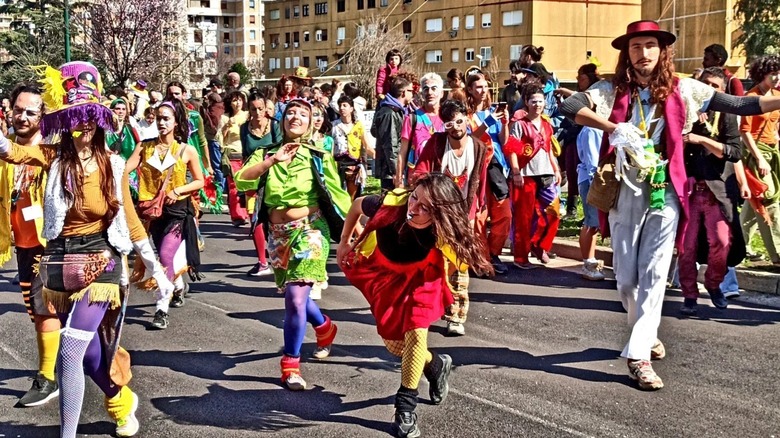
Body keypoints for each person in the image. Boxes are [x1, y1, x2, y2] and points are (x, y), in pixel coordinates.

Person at [559, 20, 780, 390]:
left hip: (666, 188)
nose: (643, 53)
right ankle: (644, 332)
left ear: (662, 50)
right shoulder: (610, 89)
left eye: (649, 45)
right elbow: (570, 105)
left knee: (655, 273)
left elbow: (743, 103)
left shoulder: (686, 88)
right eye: (635, 47)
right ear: (626, 53)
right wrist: (613, 129)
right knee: (626, 277)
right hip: (625, 186)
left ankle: (639, 355)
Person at [0, 61, 173, 437]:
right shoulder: (53, 159)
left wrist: (157, 270)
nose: (84, 126)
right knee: (92, 354)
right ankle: (119, 399)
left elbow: (130, 220)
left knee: (70, 351)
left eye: (90, 118)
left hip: (102, 263)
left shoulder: (112, 165)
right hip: (59, 263)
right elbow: (10, 150)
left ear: (99, 122)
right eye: (77, 118)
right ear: (66, 122)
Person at [337, 173, 493, 438]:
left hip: (423, 277)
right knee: (395, 345)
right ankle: (434, 365)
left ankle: (405, 407)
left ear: (440, 214)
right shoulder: (389, 204)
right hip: (388, 274)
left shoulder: (443, 232)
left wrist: (444, 278)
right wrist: (344, 241)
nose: (414, 208)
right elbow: (355, 206)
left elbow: (458, 264)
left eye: (425, 208)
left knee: (416, 332)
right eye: (414, 198)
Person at [233, 99, 351, 391]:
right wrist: (273, 161)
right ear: (283, 120)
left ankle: (290, 364)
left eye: (304, 114)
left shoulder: (318, 156)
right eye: (291, 113)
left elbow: (339, 196)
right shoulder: (265, 153)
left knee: (295, 299)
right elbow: (241, 181)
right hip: (278, 234)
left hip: (311, 230)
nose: (296, 117)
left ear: (312, 123)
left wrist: (357, 230)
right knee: (297, 296)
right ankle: (324, 326)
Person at [0, 84, 61, 407]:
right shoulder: (7, 150)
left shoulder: (51, 152)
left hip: (49, 245)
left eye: (30, 112)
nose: (22, 116)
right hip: (22, 245)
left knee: (45, 310)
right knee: (36, 314)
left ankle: (48, 377)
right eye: (18, 110)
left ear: (43, 116)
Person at [412, 99, 492, 338]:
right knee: (434, 264)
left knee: (460, 264)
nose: (456, 127)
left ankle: (457, 315)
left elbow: (480, 180)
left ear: (467, 118)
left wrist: (479, 207)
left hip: (463, 214)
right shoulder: (436, 143)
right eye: (449, 123)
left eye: (459, 121)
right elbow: (420, 171)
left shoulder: (478, 146)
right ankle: (428, 309)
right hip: (436, 214)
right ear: (443, 125)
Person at [127, 100, 205, 329]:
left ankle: (161, 308)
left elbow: (200, 181)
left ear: (176, 122)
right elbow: (125, 168)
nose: (161, 122)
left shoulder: (186, 150)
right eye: (158, 117)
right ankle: (178, 286)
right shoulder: (144, 146)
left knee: (164, 254)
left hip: (178, 212)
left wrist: (178, 190)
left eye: (166, 118)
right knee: (165, 258)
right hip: (153, 212)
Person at [679, 67, 747, 316]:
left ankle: (713, 284)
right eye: (705, 84)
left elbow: (734, 152)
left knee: (721, 241)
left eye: (715, 87)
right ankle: (689, 295)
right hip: (688, 191)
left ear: (723, 91)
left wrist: (703, 138)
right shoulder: (685, 112)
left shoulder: (726, 115)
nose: (708, 90)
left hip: (716, 192)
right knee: (686, 247)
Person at [507, 84, 562, 268]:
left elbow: (549, 150)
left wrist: (556, 169)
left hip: (546, 173)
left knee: (553, 212)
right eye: (533, 101)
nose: (537, 105)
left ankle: (539, 245)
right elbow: (512, 150)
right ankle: (521, 257)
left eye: (540, 101)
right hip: (525, 175)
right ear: (526, 102)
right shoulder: (519, 125)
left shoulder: (547, 124)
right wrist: (516, 172)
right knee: (523, 217)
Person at [465, 70, 512, 277]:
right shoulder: (466, 115)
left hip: (497, 168)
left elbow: (504, 140)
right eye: (478, 87)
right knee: (479, 216)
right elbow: (469, 139)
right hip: (477, 169)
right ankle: (481, 257)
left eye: (485, 86)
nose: (483, 91)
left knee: (504, 213)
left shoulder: (493, 111)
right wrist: (487, 122)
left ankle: (493, 253)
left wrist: (505, 123)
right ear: (470, 90)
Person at [739, 56, 780, 265]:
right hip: (757, 154)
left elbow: (776, 126)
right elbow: (744, 131)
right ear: (762, 74)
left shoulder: (778, 95)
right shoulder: (752, 97)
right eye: (773, 73)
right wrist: (759, 158)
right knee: (769, 200)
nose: (777, 77)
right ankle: (778, 255)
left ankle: (739, 247)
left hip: (773, 152)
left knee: (751, 205)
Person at [239, 93, 281, 277]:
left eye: (260, 109)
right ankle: (262, 262)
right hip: (253, 178)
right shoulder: (243, 128)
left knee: (272, 220)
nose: (257, 112)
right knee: (254, 218)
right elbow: (244, 154)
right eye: (253, 109)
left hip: (273, 177)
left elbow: (281, 148)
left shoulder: (275, 125)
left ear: (266, 109)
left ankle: (278, 257)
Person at [397, 72, 446, 187]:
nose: (430, 93)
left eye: (434, 88)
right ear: (422, 93)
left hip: (443, 180)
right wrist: (399, 180)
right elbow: (402, 152)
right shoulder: (412, 118)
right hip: (417, 181)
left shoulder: (448, 117)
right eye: (426, 89)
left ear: (442, 93)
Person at [575, 125, 606, 280]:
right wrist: (597, 181)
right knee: (591, 221)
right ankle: (588, 263)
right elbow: (592, 160)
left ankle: (591, 260)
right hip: (591, 180)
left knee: (594, 222)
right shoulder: (592, 129)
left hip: (595, 178)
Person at [372, 76, 413, 191]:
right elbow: (391, 144)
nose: (412, 94)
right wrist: (396, 171)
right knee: (391, 205)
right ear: (404, 92)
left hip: (394, 168)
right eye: (411, 91)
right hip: (390, 171)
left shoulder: (398, 110)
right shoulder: (389, 112)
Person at [217, 91, 250, 227]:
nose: (238, 103)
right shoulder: (225, 118)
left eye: (240, 100)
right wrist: (227, 126)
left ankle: (248, 211)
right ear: (230, 103)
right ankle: (237, 215)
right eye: (235, 100)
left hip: (247, 154)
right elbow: (220, 137)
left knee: (247, 185)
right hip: (232, 154)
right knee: (234, 186)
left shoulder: (247, 115)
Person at [332, 95, 373, 198]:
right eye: (340, 105)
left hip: (354, 165)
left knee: (354, 197)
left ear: (351, 108)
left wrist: (378, 156)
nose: (342, 108)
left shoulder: (358, 126)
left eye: (345, 105)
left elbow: (367, 146)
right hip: (337, 165)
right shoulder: (333, 126)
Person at [201, 92, 226, 192]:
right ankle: (222, 186)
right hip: (219, 140)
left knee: (216, 165)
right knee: (219, 164)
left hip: (213, 139)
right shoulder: (222, 108)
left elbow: (213, 122)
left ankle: (220, 187)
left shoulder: (214, 109)